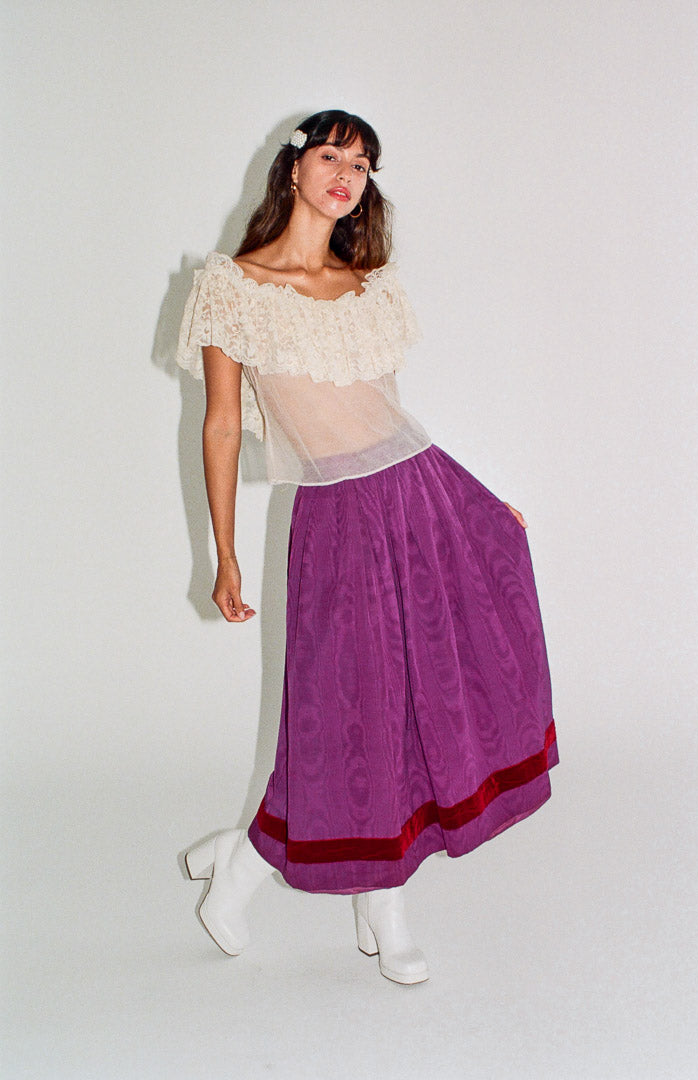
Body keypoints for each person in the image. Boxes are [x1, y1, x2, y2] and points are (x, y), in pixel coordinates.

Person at [176, 109, 559, 985]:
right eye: (331, 154)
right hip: (336, 515)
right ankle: (246, 870)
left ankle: (371, 903)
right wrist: (224, 554)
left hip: (420, 495)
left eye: (362, 162)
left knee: (417, 700)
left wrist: (479, 501)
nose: (347, 173)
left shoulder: (368, 284)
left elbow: (391, 419)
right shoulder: (232, 285)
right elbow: (225, 426)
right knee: (352, 708)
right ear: (295, 168)